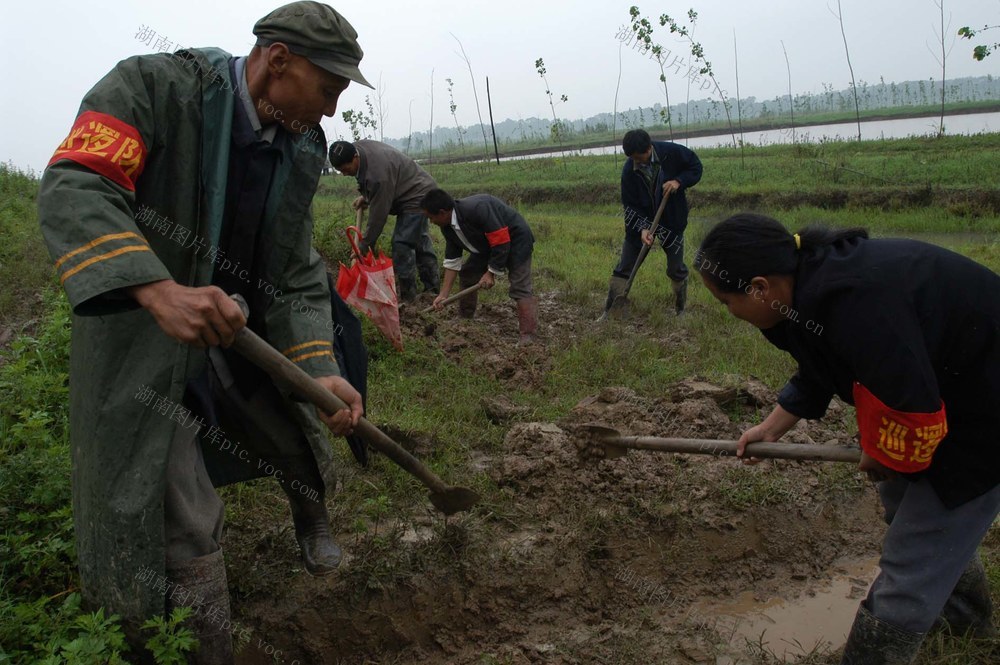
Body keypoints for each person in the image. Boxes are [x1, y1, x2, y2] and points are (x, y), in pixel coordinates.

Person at [37, 3, 369, 661]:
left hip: (239, 332)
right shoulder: (155, 88)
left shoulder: (298, 146)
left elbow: (296, 269)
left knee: (292, 422)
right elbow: (77, 183)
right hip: (145, 340)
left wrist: (319, 369)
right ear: (278, 61)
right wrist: (157, 289)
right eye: (328, 89)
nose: (332, 111)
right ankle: (196, 641)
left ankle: (311, 510)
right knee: (175, 503)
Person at [696, 213, 1000, 664]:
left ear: (760, 287)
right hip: (946, 391)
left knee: (913, 554)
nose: (730, 312)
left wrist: (888, 456)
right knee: (909, 512)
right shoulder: (802, 293)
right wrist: (774, 424)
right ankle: (965, 627)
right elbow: (825, 362)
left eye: (726, 301)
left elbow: (909, 399)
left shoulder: (856, 299)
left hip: (983, 413)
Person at [602, 128, 702, 317]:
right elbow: (630, 205)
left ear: (649, 149)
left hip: (671, 221)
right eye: (632, 158)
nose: (635, 162)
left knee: (675, 268)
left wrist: (679, 181)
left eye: (638, 157)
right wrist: (642, 228)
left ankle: (681, 310)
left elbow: (696, 167)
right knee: (625, 266)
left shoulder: (671, 153)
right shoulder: (629, 171)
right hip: (642, 223)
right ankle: (610, 311)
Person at [419, 188, 537, 344]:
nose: (431, 222)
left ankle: (527, 336)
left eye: (430, 217)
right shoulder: (447, 227)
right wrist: (444, 294)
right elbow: (453, 260)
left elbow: (501, 241)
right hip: (487, 245)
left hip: (516, 240)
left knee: (519, 286)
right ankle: (465, 320)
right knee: (468, 273)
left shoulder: (477, 209)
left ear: (442, 212)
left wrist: (491, 273)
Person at [328, 139, 440, 302]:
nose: (344, 174)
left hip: (418, 196)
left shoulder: (378, 176)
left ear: (355, 157)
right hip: (407, 189)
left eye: (346, 169)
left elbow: (378, 217)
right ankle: (432, 290)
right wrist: (367, 197)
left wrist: (364, 245)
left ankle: (409, 300)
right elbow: (376, 187)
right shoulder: (358, 149)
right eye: (340, 171)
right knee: (419, 241)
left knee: (402, 244)